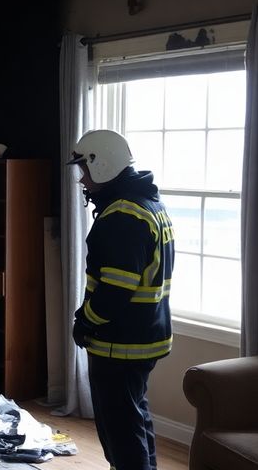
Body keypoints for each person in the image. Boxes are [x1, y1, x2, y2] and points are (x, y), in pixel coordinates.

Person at [68, 130, 174, 470]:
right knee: (135, 417)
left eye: (84, 169)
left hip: (121, 342)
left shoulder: (122, 216)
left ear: (103, 164)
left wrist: (85, 320)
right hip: (145, 336)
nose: (82, 178)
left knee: (120, 430)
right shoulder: (149, 205)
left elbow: (115, 292)